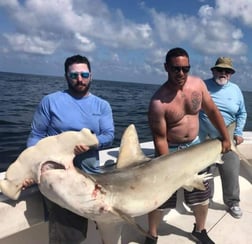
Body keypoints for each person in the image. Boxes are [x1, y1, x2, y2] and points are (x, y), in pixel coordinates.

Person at [23, 54, 114, 244]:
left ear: (91, 75)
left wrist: (92, 144)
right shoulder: (50, 101)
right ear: (66, 76)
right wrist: (31, 168)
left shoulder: (102, 105)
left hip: (92, 177)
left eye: (84, 74)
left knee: (109, 224)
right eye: (74, 75)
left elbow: (108, 135)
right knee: (68, 234)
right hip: (59, 177)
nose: (79, 79)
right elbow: (36, 136)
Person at [146, 47, 231, 244]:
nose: (181, 73)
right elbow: (159, 138)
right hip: (171, 152)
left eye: (186, 68)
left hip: (195, 148)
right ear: (166, 67)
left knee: (202, 194)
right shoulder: (158, 102)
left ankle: (199, 230)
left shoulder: (198, 85)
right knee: (160, 198)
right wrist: (169, 167)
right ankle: (152, 234)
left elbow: (212, 111)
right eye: (176, 69)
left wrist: (225, 138)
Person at [199, 57, 247, 219]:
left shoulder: (236, 90)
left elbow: (242, 113)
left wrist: (238, 132)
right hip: (205, 140)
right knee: (205, 174)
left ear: (231, 74)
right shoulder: (202, 86)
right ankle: (206, 200)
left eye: (227, 71)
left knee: (231, 173)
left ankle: (233, 202)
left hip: (228, 141)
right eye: (220, 70)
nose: (223, 73)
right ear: (213, 71)